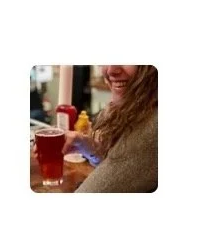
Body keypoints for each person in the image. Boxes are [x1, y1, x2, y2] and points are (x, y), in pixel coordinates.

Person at [67, 65, 157, 193]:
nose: (111, 71)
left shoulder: (152, 125)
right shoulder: (123, 108)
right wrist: (88, 145)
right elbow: (126, 173)